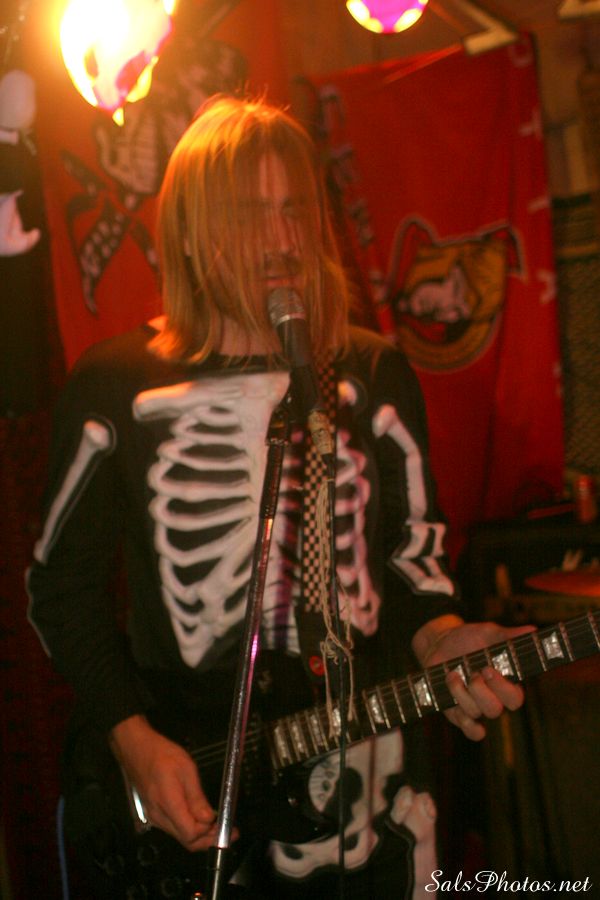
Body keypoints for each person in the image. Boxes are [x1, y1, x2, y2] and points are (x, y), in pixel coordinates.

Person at [27, 96, 532, 900]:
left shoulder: (369, 373)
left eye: (295, 208)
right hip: (187, 780)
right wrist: (131, 736)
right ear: (189, 232)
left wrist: (442, 637)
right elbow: (62, 590)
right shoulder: (114, 385)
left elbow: (411, 568)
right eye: (250, 213)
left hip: (366, 787)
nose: (283, 238)